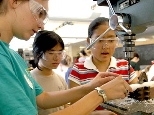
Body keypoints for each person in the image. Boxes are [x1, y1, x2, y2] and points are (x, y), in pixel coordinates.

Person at [0, 0, 132, 115]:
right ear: (15, 1)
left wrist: (90, 87)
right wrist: (100, 94)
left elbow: (42, 98)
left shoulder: (13, 57)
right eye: (39, 13)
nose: (41, 25)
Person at [68, 17, 139, 113]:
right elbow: (74, 108)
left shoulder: (125, 66)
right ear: (89, 41)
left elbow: (138, 96)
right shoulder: (78, 69)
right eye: (100, 40)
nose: (106, 46)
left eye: (111, 40)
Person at [31, 30, 68, 114]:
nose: (56, 58)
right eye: (51, 53)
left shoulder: (61, 79)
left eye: (60, 53)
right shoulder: (30, 79)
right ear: (38, 53)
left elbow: (65, 107)